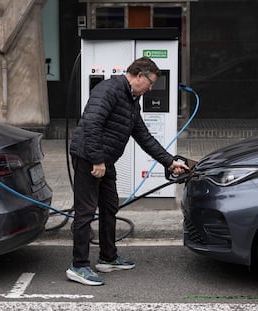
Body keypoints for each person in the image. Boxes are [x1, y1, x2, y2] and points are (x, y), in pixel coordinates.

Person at [66, 56, 189, 286]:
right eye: (150, 82)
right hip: (89, 158)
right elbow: (91, 123)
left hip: (105, 160)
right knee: (85, 211)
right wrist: (97, 160)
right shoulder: (109, 90)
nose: (151, 88)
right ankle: (78, 265)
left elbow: (143, 135)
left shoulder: (132, 99)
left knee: (110, 206)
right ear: (139, 76)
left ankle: (107, 258)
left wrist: (169, 162)